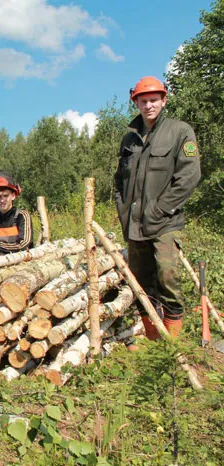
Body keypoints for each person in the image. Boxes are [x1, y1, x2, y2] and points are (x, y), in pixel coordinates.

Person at [115, 76, 201, 339]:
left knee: (167, 276)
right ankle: (153, 340)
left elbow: (189, 176)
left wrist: (162, 209)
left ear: (163, 100)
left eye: (154, 100)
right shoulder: (129, 139)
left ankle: (173, 346)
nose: (149, 105)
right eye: (143, 101)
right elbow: (119, 181)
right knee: (141, 283)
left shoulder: (180, 131)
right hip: (134, 225)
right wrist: (123, 211)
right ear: (136, 103)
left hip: (165, 222)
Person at [0, 173, 33, 255]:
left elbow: (23, 245)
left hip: (23, 263)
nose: (2, 200)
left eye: (5, 196)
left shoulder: (22, 216)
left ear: (13, 196)